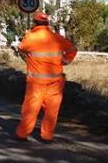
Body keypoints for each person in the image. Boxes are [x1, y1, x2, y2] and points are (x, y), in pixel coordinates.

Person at [14, 12, 77, 142]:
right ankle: (47, 136)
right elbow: (72, 49)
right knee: (51, 111)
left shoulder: (31, 37)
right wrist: (64, 61)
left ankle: (22, 134)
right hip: (55, 83)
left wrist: (26, 37)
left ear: (35, 23)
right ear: (47, 23)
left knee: (30, 109)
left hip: (36, 83)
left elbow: (22, 47)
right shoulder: (56, 38)